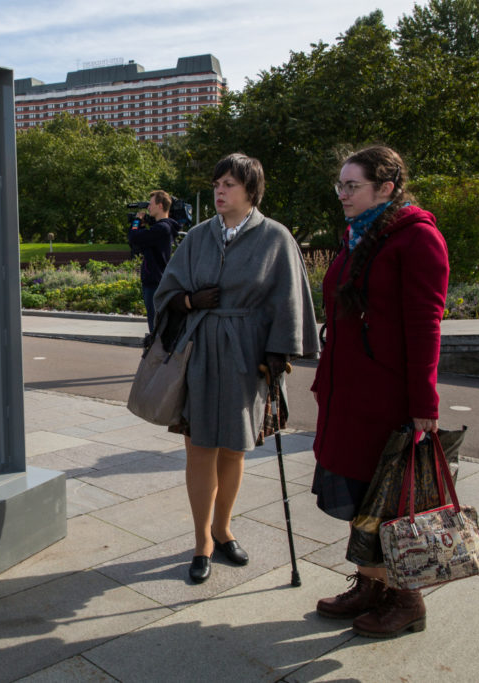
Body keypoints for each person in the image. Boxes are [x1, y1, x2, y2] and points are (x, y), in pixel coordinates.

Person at [154, 153, 318, 584]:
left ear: (251, 191)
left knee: (235, 446)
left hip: (249, 354)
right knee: (200, 446)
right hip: (202, 350)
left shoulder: (276, 237)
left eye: (229, 184)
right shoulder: (197, 237)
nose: (220, 191)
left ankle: (223, 529)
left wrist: (280, 353)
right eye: (217, 184)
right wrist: (190, 302)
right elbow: (166, 292)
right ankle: (201, 542)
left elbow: (289, 299)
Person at [311, 145, 449, 638]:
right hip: (349, 393)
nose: (343, 194)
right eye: (340, 185)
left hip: (386, 397)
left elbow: (425, 326)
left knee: (389, 498)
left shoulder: (416, 239)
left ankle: (406, 597)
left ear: (385, 188)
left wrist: (423, 406)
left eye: (353, 186)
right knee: (357, 492)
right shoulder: (360, 234)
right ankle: (371, 584)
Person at [128, 190, 177, 333]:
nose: (148, 208)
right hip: (155, 279)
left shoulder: (162, 228)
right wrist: (142, 226)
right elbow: (142, 244)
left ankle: (157, 352)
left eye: (151, 204)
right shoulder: (163, 228)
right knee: (155, 321)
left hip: (154, 281)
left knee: (155, 323)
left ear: (160, 206)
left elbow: (134, 237)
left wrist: (136, 222)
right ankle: (157, 350)